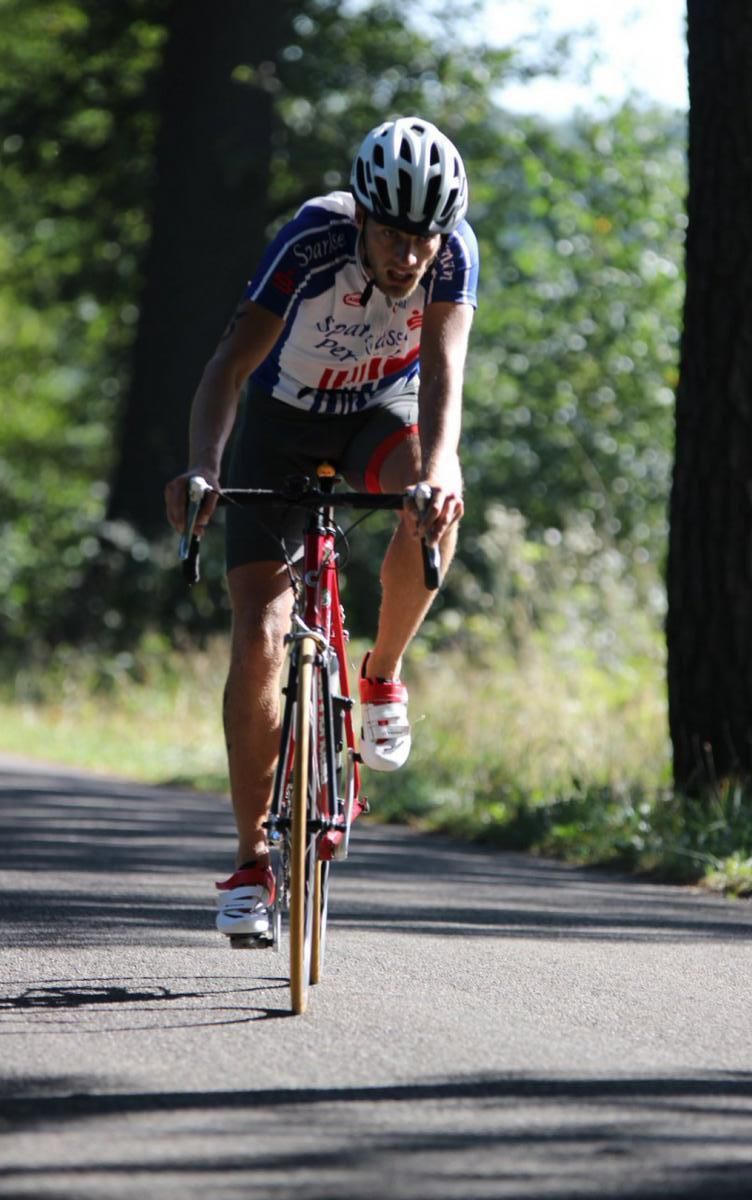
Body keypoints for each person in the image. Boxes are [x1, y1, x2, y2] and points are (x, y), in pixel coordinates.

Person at [165, 115, 479, 940]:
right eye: (391, 234)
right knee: (259, 637)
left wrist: (439, 470)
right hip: (283, 423)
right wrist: (203, 464)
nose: (407, 255)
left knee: (436, 500)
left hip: (380, 417)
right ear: (362, 217)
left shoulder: (453, 254)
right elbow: (228, 367)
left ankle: (381, 675)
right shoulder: (310, 239)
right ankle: (250, 861)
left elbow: (446, 374)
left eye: (423, 237)